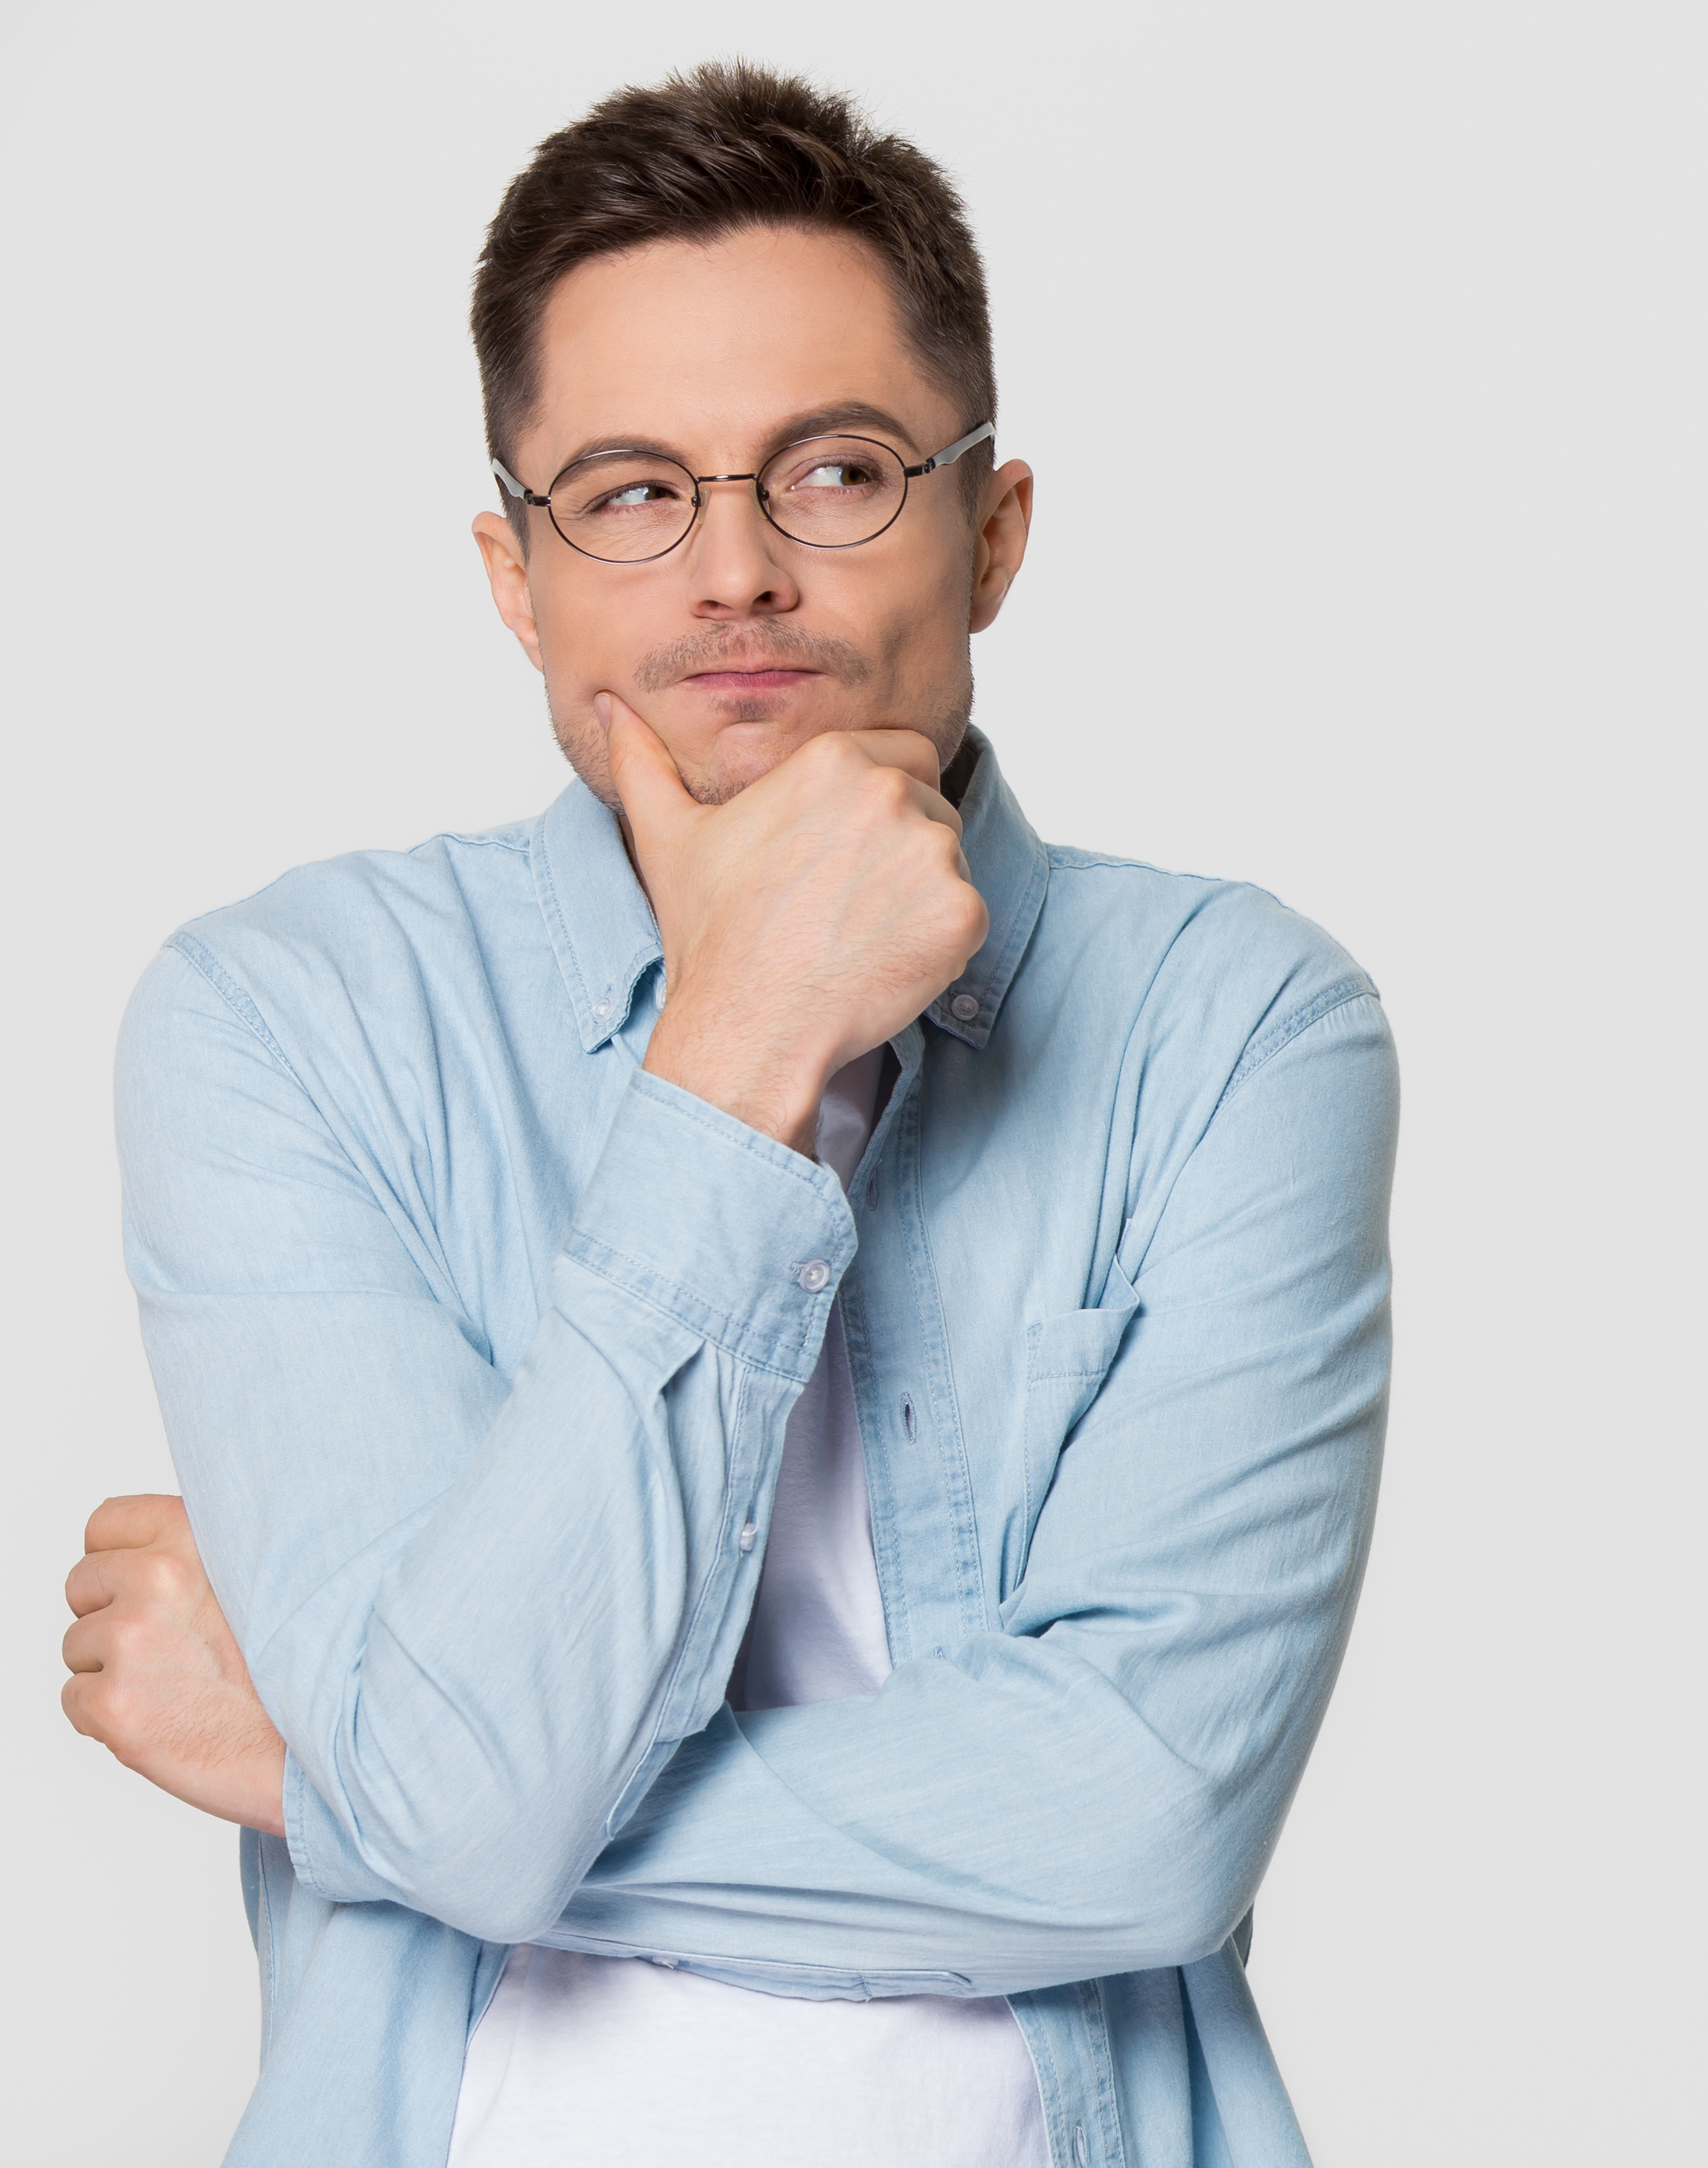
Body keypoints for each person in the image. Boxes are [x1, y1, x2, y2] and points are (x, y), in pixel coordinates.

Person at [56, 63, 1397, 2168]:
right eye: (629, 491)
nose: (736, 570)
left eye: (838, 470)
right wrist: (745, 1047)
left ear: (995, 528)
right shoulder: (288, 1017)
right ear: (517, 572)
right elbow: (466, 1799)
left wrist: (351, 1782)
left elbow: (1141, 1832)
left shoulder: (1230, 1025)